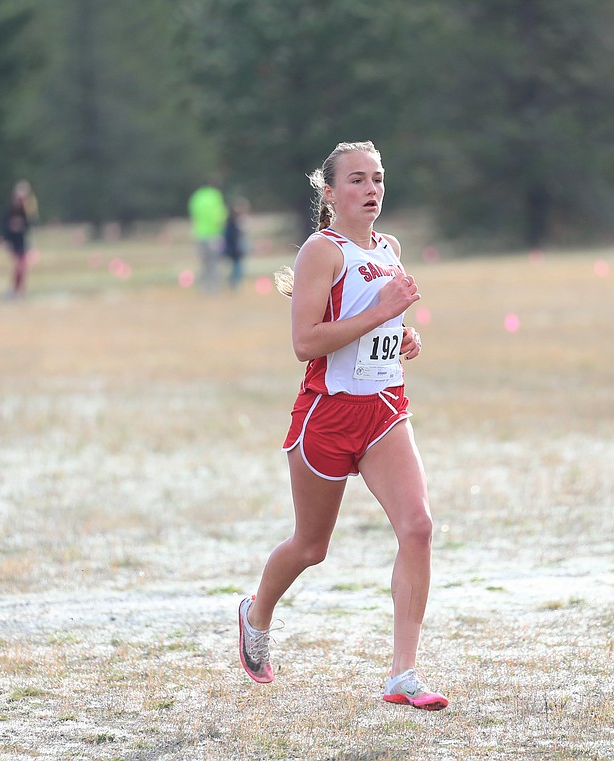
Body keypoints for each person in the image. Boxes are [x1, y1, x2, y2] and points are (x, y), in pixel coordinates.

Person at [237, 141, 447, 710]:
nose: (372, 189)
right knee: (311, 546)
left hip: (383, 409)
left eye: (378, 178)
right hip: (327, 415)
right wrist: (381, 313)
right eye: (357, 180)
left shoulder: (390, 248)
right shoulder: (319, 251)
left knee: (419, 526)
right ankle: (256, 614)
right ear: (329, 192)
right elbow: (305, 342)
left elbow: (380, 328)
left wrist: (402, 337)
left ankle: (404, 674)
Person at [188, 178, 228, 293]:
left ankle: (203, 288)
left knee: (204, 263)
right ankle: (214, 289)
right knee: (214, 263)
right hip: (214, 235)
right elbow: (219, 215)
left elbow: (193, 213)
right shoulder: (215, 196)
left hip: (199, 235)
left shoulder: (197, 196)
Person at [2, 179, 38, 298]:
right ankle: (14, 290)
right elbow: (5, 225)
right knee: (19, 266)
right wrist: (7, 239)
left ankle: (19, 290)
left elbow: (30, 224)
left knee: (22, 267)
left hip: (22, 240)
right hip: (13, 241)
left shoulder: (27, 208)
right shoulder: (10, 208)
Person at [223, 197, 250, 291]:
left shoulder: (235, 221)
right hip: (234, 248)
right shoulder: (232, 222)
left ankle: (235, 284)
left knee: (237, 267)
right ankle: (234, 284)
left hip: (235, 248)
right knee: (236, 268)